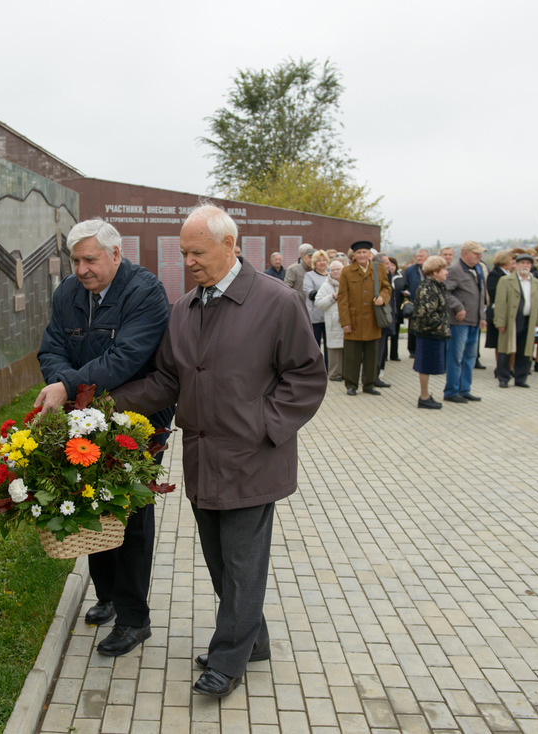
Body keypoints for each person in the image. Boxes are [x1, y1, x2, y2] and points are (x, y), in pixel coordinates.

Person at [111, 204, 326, 699]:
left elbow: (307, 376)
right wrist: (105, 401)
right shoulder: (185, 308)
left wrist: (265, 424)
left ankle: (228, 659)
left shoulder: (277, 301)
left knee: (243, 562)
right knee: (220, 562)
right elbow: (168, 379)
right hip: (202, 461)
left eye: (197, 252)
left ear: (231, 246)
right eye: (184, 252)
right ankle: (253, 641)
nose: (188, 261)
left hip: (253, 459)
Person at [35, 219, 175, 658]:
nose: (81, 269)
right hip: (86, 414)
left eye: (90, 259)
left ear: (116, 255)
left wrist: (67, 387)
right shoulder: (68, 294)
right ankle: (108, 596)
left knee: (130, 513)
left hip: (138, 416)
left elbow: (126, 357)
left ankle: (135, 619)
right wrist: (67, 386)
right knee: (89, 501)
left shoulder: (145, 292)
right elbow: (50, 347)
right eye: (75, 260)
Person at [337, 240, 392, 396]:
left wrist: (383, 297)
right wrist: (345, 321)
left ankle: (369, 384)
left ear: (370, 254)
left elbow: (387, 287)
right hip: (353, 321)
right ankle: (351, 385)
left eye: (364, 252)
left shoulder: (379, 269)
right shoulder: (347, 272)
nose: (362, 255)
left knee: (372, 355)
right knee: (352, 355)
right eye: (358, 252)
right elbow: (342, 298)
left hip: (373, 320)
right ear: (354, 255)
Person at [442, 241, 487, 404]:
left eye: (480, 253)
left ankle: (464, 389)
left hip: (474, 321)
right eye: (476, 253)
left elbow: (481, 294)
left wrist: (482, 316)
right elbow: (445, 292)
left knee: (470, 357)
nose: (480, 256)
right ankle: (452, 391)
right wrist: (458, 307)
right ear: (466, 253)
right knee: (456, 357)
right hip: (459, 323)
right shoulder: (454, 270)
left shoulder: (478, 269)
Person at [494, 253, 538, 387]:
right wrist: (500, 322)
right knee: (506, 349)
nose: (525, 266)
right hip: (511, 320)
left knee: (525, 350)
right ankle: (503, 378)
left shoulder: (537, 283)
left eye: (528, 263)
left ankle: (521, 378)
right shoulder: (506, 281)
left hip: (529, 319)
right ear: (516, 265)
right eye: (522, 263)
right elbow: (500, 303)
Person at [410, 256, 451, 409]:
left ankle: (425, 395)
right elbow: (426, 311)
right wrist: (438, 324)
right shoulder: (428, 287)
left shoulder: (436, 285)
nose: (447, 272)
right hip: (428, 334)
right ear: (435, 272)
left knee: (427, 366)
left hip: (433, 333)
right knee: (425, 366)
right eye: (444, 269)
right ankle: (424, 397)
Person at [314, 260, 346, 381]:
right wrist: (333, 297)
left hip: (347, 322)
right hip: (333, 321)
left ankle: (346, 373)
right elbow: (319, 302)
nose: (335, 272)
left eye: (338, 269)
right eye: (333, 270)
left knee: (347, 349)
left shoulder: (348, 282)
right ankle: (335, 374)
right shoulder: (326, 285)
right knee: (334, 350)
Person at [484, 250, 514, 376]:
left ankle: (510, 367)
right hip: (498, 311)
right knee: (498, 341)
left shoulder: (511, 274)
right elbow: (494, 292)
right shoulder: (495, 274)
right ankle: (500, 368)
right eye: (511, 260)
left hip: (511, 312)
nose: (513, 263)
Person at [303, 251, 331, 368]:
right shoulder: (309, 276)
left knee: (329, 344)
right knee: (315, 344)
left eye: (324, 260)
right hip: (314, 315)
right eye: (319, 261)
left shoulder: (331, 275)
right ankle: (315, 367)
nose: (322, 263)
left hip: (329, 315)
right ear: (314, 263)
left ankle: (328, 366)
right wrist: (328, 296)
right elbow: (309, 292)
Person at [402, 249, 428, 358]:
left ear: (427, 257)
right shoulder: (410, 270)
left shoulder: (429, 269)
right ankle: (412, 350)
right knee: (413, 327)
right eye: (418, 256)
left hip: (427, 303)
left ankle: (424, 349)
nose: (419, 258)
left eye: (422, 256)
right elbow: (404, 285)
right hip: (414, 302)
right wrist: (407, 295)